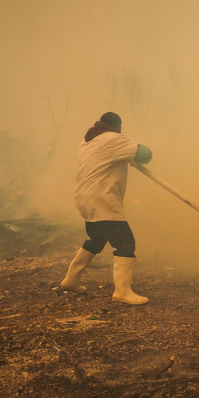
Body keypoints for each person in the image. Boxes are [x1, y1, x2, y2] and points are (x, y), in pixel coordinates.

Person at [60, 111, 153, 305]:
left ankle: (70, 280)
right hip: (102, 198)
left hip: (84, 198)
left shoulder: (86, 142)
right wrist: (129, 151)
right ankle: (122, 291)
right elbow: (146, 154)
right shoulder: (114, 139)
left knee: (97, 239)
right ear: (118, 126)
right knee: (126, 243)